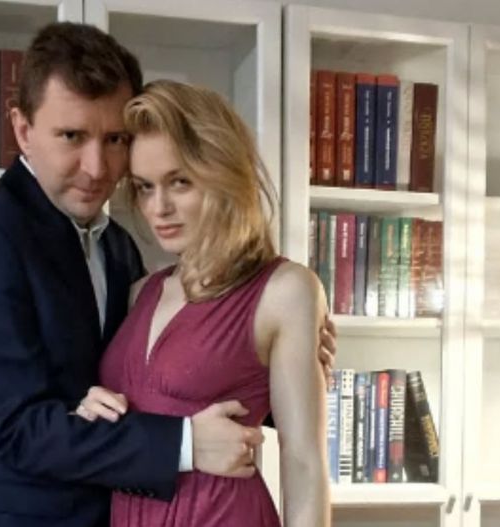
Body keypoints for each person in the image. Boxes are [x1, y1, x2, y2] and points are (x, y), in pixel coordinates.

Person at [0, 22, 336, 527]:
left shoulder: (117, 248)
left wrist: (283, 367)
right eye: (72, 136)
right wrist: (186, 443)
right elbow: (17, 428)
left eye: (115, 139)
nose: (97, 167)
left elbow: (160, 380)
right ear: (23, 130)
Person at [76, 80, 330, 527]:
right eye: (145, 187)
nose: (159, 208)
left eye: (179, 182)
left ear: (222, 174)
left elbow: (304, 461)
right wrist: (90, 415)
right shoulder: (141, 292)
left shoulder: (285, 290)